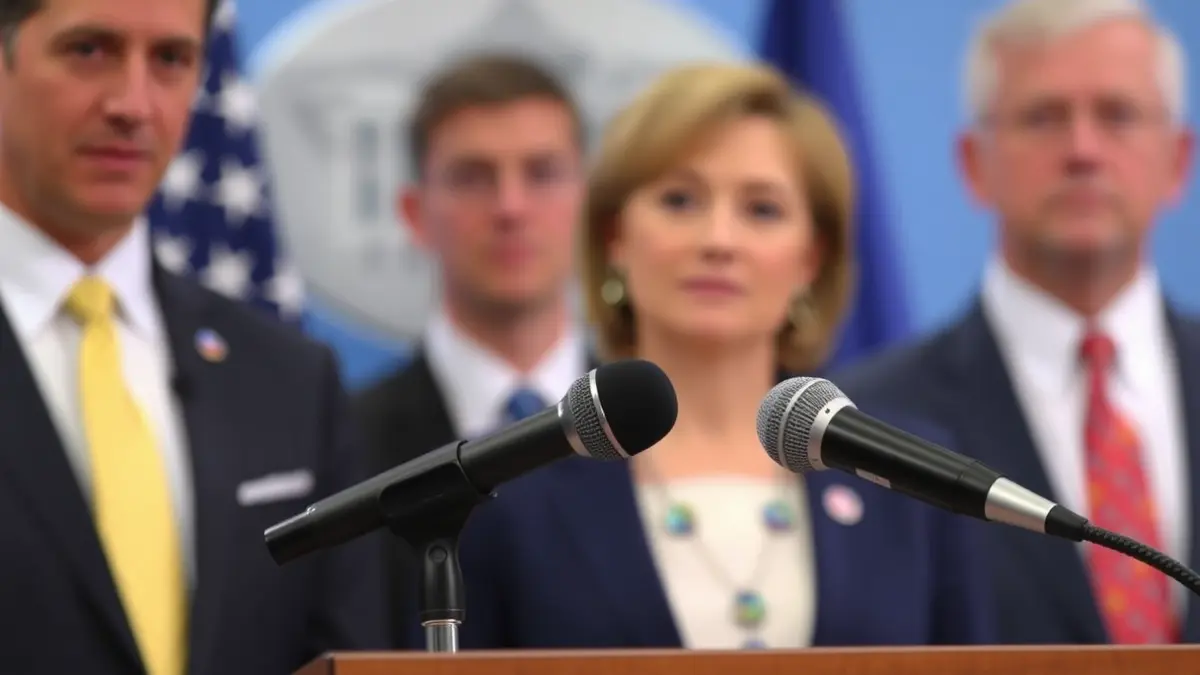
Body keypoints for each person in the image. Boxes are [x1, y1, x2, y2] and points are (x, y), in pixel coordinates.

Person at [426, 62, 996, 651]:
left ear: (811, 259)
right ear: (615, 237)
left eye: (762, 210)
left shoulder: (913, 479)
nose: (718, 240)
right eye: (680, 201)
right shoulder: (511, 485)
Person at [0, 1, 385, 673]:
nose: (133, 103)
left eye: (172, 60)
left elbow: (344, 652)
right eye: (89, 50)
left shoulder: (291, 381)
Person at [836, 0, 1200, 644]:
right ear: (974, 164)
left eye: (1117, 115)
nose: (1083, 151)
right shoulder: (871, 423)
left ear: (1178, 160)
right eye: (1044, 117)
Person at [352, 53, 591, 647]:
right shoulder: (346, 442)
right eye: (473, 177)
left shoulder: (651, 432)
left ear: (588, 203)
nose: (511, 207)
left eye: (541, 173)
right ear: (415, 214)